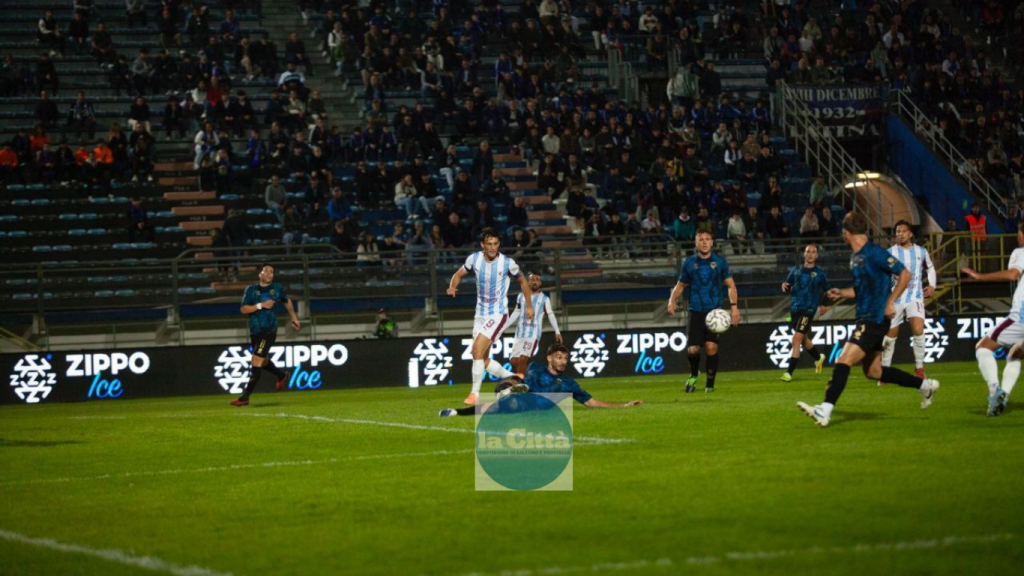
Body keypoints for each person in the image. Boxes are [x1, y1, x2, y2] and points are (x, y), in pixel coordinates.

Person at [797, 213, 940, 427]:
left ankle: (824, 410)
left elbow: (905, 274)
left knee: (843, 360)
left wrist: (890, 301)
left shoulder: (874, 253)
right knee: (874, 372)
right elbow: (862, 290)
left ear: (846, 233)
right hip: (866, 317)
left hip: (873, 319)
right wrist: (842, 293)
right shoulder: (855, 258)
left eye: (843, 233)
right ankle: (924, 385)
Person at [446, 227, 534, 405]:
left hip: (498, 314)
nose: (493, 247)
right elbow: (458, 274)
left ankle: (474, 394)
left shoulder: (508, 263)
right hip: (480, 315)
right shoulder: (474, 259)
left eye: (495, 244)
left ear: (499, 244)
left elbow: (523, 281)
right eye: (489, 244)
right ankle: (514, 377)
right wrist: (452, 286)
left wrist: (529, 306)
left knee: (476, 350)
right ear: (483, 245)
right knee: (482, 359)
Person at [438, 344, 643, 416]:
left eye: (565, 358)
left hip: (530, 405)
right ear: (549, 358)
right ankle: (459, 411)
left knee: (494, 407)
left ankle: (510, 394)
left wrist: (622, 406)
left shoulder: (569, 383)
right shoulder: (536, 367)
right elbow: (523, 377)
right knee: (511, 383)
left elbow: (591, 402)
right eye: (558, 358)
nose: (562, 362)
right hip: (520, 397)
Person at [960, 222, 1024, 417]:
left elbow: (1013, 274)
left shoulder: (1020, 252)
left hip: (1020, 317)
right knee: (1016, 354)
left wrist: (981, 276)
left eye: (1019, 232)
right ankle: (1002, 397)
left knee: (983, 347)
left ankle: (994, 391)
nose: (1018, 236)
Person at [667, 230, 741, 393]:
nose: (705, 242)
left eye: (708, 239)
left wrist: (734, 307)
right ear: (696, 243)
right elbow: (680, 285)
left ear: (712, 243)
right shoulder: (689, 263)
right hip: (696, 311)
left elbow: (731, 286)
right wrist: (672, 300)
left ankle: (710, 384)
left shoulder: (720, 262)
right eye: (701, 239)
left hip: (715, 312)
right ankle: (694, 374)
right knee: (692, 350)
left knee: (711, 347)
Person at [232, 265, 301, 406]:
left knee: (256, 361)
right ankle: (281, 375)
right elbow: (243, 309)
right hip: (255, 332)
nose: (270, 273)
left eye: (272, 272)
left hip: (269, 331)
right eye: (267, 271)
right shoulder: (251, 290)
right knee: (263, 362)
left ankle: (245, 397)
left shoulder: (277, 288)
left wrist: (294, 317)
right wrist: (261, 305)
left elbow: (286, 301)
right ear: (260, 274)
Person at [879, 221, 937, 383]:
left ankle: (919, 368)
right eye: (898, 231)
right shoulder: (889, 253)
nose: (900, 234)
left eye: (904, 231)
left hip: (915, 297)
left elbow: (930, 268)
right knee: (890, 336)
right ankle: (884, 371)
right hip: (895, 299)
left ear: (910, 234)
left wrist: (932, 285)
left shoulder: (921, 251)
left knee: (918, 329)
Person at [780, 244, 831, 381]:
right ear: (804, 254)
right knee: (803, 339)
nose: (810, 254)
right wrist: (784, 286)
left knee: (796, 338)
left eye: (813, 252)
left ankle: (789, 373)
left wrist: (824, 304)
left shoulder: (819, 273)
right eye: (808, 251)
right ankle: (818, 358)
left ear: (817, 255)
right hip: (795, 309)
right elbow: (787, 285)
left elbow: (828, 290)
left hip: (809, 309)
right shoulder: (795, 270)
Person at [507, 274, 563, 375]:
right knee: (514, 361)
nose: (534, 281)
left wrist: (557, 331)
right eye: (532, 279)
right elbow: (516, 312)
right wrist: (504, 326)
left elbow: (550, 314)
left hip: (533, 334)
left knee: (523, 358)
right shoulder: (521, 296)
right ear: (528, 282)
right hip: (520, 333)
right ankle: (519, 380)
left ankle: (520, 384)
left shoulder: (544, 299)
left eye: (537, 280)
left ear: (540, 283)